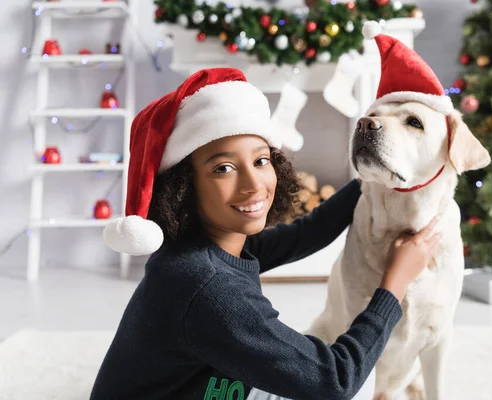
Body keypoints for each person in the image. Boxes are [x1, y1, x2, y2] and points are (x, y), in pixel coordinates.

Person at [91, 68, 441, 400]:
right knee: (356, 383)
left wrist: (370, 175)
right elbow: (335, 380)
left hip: (206, 386)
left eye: (261, 161)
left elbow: (303, 234)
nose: (254, 184)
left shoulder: (204, 245)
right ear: (184, 186)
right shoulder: (208, 287)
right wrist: (394, 284)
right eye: (223, 168)